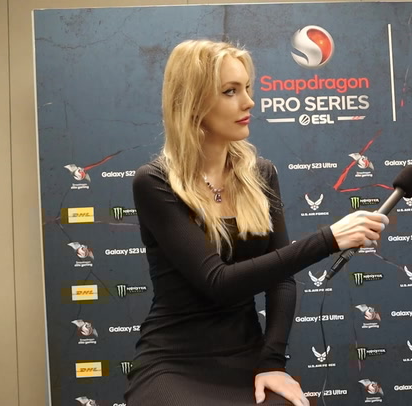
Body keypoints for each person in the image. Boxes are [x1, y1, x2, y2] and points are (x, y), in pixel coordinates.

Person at [124, 39, 388, 406]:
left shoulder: (260, 174)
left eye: (248, 88)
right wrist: (327, 240)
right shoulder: (155, 182)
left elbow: (281, 280)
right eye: (230, 91)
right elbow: (218, 282)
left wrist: (272, 363)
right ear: (193, 102)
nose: (249, 102)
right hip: (173, 363)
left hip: (247, 359)